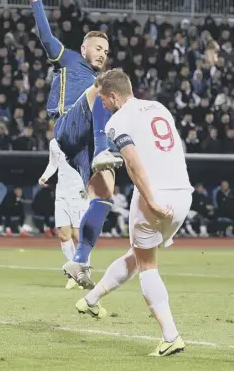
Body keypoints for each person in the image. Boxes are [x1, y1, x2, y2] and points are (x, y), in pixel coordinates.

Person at [74, 69, 192, 357]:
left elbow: (134, 164)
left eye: (102, 98)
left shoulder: (118, 120)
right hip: (183, 193)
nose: (101, 103)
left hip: (155, 193)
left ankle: (170, 336)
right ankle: (91, 299)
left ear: (113, 95)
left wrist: (150, 199)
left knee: (147, 264)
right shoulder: (158, 107)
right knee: (138, 254)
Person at [24, 0, 122, 289]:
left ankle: (80, 261)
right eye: (98, 48)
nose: (102, 53)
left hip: (84, 145)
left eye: (106, 50)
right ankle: (104, 150)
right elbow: (46, 37)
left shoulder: (98, 78)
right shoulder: (69, 59)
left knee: (106, 191)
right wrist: (36, 2)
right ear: (84, 48)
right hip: (66, 127)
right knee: (103, 87)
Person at [38, 138, 89, 289]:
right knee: (63, 234)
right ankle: (75, 272)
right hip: (61, 193)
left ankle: (85, 272)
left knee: (79, 235)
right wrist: (44, 176)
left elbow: (88, 164)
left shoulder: (81, 140)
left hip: (79, 192)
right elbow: (53, 163)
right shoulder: (53, 142)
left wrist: (87, 184)